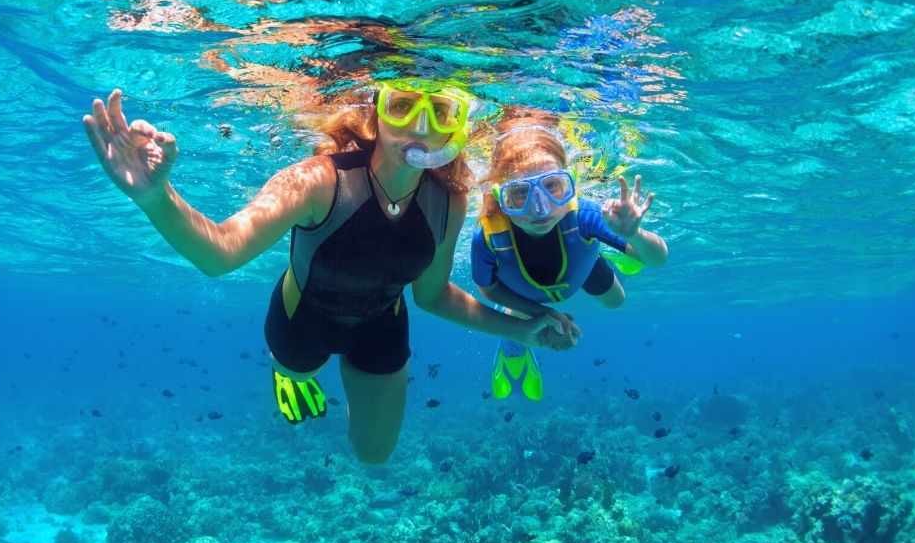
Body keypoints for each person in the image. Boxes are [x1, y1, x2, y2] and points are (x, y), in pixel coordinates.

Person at [83, 83, 576, 464]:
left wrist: (524, 329)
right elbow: (221, 253)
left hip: (382, 324)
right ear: (376, 113)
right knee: (298, 370)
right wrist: (154, 197)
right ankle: (288, 373)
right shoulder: (319, 179)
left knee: (374, 455)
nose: (421, 127)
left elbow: (431, 296)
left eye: (441, 112)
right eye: (403, 106)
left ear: (455, 127)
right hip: (303, 319)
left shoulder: (449, 198)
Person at [471, 112, 668, 402]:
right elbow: (487, 289)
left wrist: (634, 235)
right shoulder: (488, 237)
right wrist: (542, 314)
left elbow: (658, 259)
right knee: (521, 314)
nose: (540, 209)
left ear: (571, 183)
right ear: (500, 197)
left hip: (582, 266)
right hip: (522, 291)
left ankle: (616, 248)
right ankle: (513, 346)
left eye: (552, 186)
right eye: (520, 193)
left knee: (617, 302)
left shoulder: (586, 215)